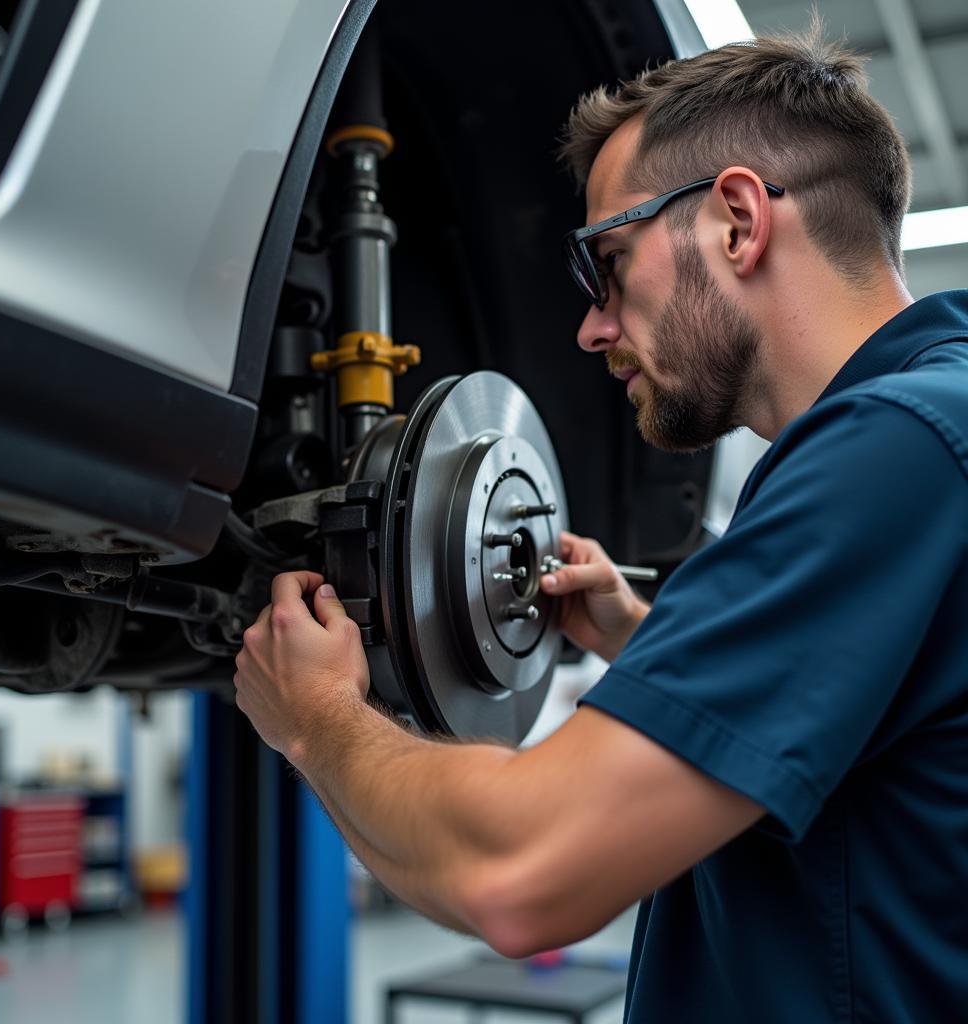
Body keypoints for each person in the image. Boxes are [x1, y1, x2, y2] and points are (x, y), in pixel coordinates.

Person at [234, 25, 968, 1023]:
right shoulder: (926, 428)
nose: (589, 325)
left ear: (737, 222)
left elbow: (518, 872)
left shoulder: (898, 450)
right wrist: (647, 637)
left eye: (607, 264)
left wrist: (317, 721)